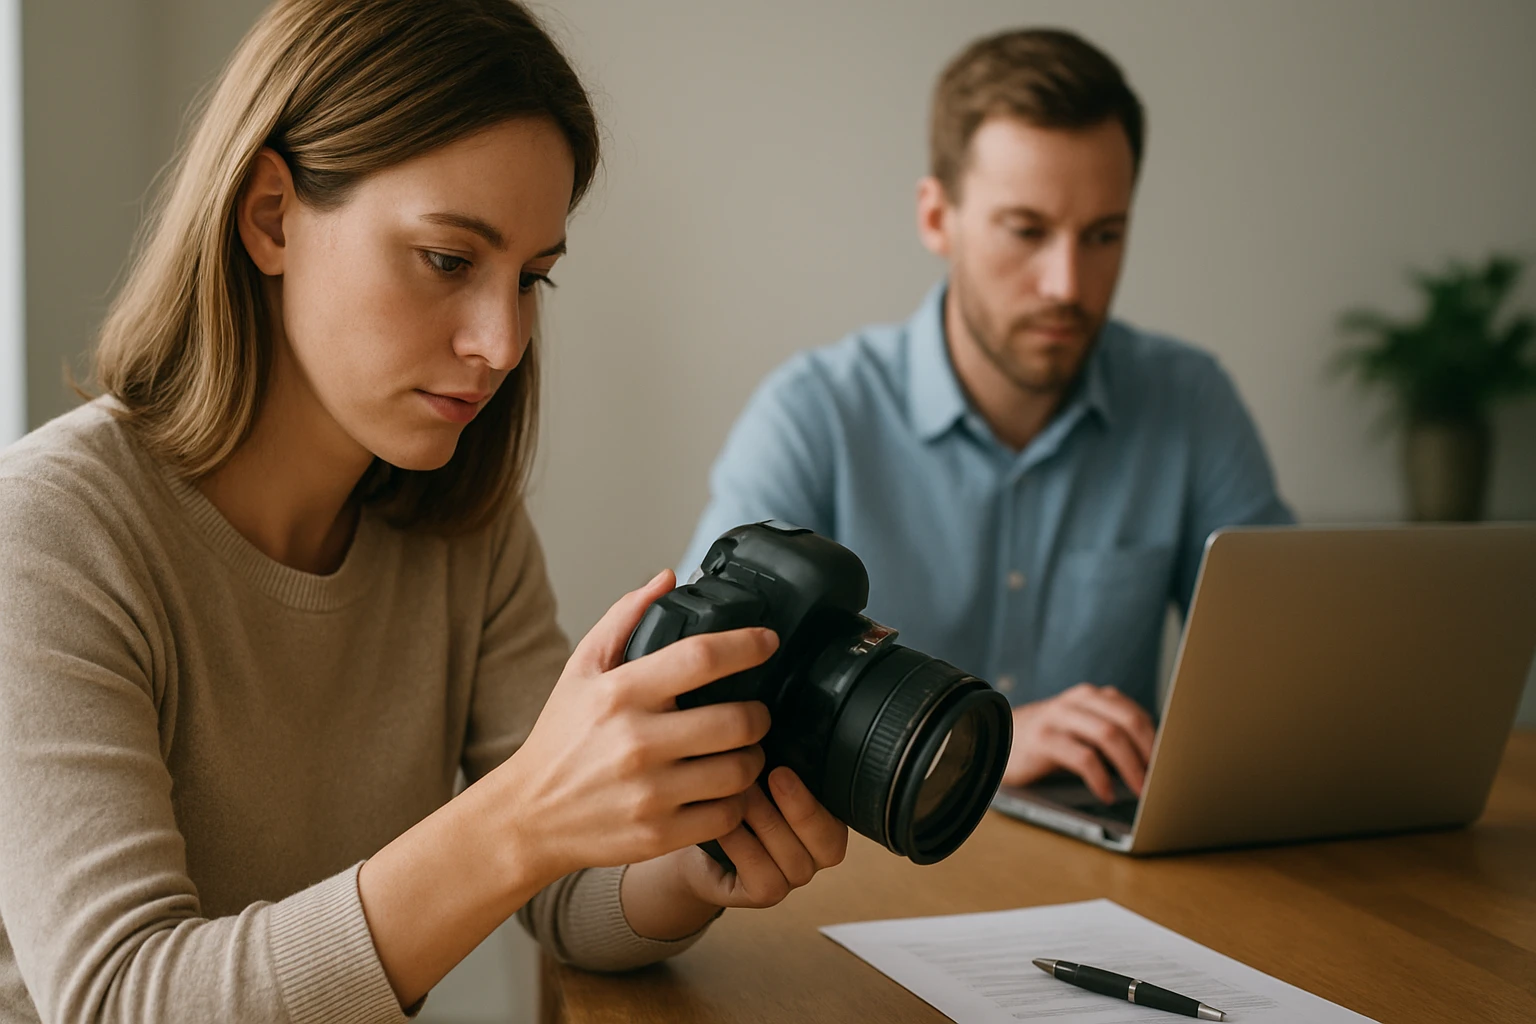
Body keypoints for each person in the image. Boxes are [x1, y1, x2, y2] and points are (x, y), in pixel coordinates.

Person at [0, 2, 847, 1021]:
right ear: (272, 215)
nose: (502, 341)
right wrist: (522, 817)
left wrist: (694, 855)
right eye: (450, 260)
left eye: (532, 278)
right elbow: (123, 1000)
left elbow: (569, 891)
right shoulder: (46, 537)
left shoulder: (462, 529)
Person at [680, 28, 1292, 807]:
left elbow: (1288, 673)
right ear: (938, 219)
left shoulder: (1190, 400)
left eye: (1103, 236)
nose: (1067, 283)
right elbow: (704, 695)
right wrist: (979, 746)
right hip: (864, 871)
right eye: (1028, 231)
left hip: (1114, 873)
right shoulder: (814, 414)